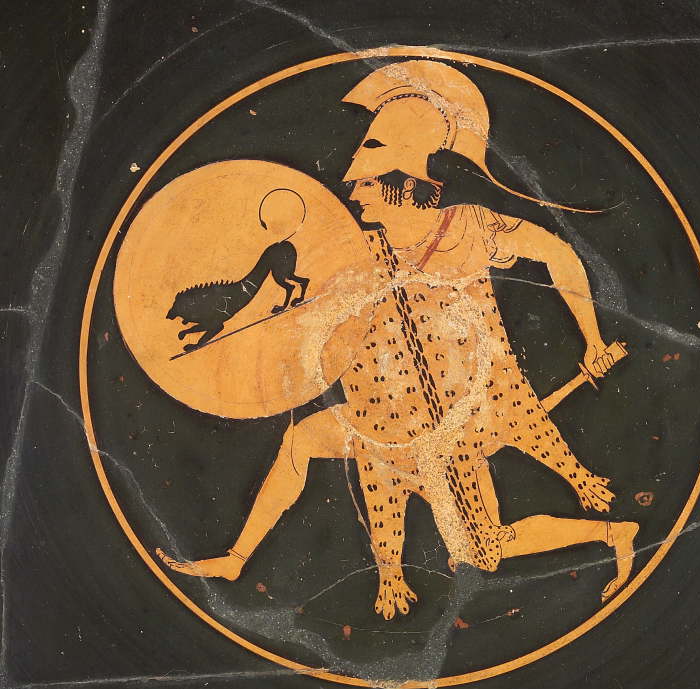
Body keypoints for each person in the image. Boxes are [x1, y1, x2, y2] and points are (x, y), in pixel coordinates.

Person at [158, 60, 638, 619]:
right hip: (379, 418)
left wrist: (591, 340)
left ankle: (613, 533)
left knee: (482, 549)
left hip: (453, 420)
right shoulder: (356, 252)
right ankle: (237, 558)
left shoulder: (469, 228)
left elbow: (558, 253)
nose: (352, 190)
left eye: (365, 182)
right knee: (300, 443)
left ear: (402, 187)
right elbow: (297, 308)